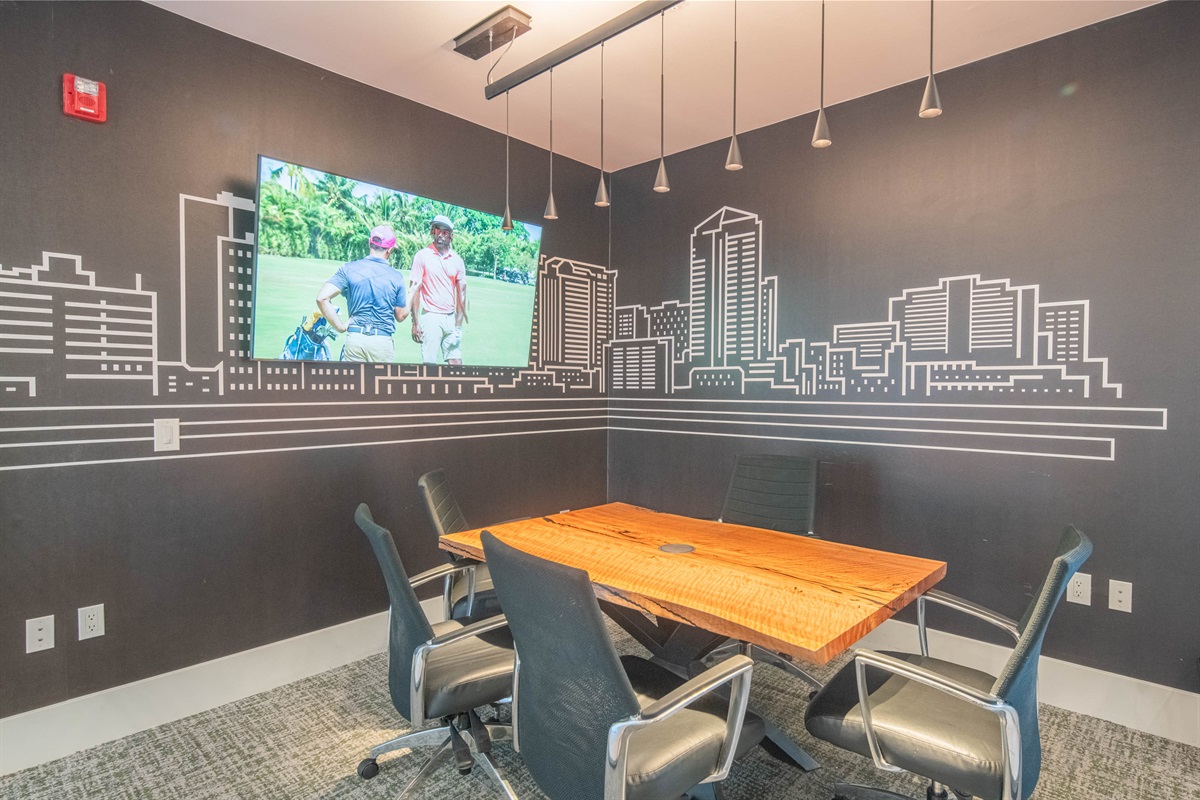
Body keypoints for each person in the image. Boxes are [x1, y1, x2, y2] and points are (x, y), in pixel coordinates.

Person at [315, 225, 408, 362]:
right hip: (381, 342)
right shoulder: (397, 277)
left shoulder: (348, 269)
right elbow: (400, 315)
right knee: (380, 377)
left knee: (354, 377)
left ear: (370, 243)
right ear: (389, 250)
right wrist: (413, 293)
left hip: (355, 339)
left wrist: (340, 327)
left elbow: (322, 298)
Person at [408, 214, 467, 365]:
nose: (440, 235)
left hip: (451, 318)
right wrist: (415, 322)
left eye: (445, 232)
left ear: (451, 236)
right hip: (431, 317)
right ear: (432, 232)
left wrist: (458, 327)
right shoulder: (422, 256)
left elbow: (461, 293)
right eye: (437, 230)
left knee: (456, 363)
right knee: (430, 366)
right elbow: (414, 290)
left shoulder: (457, 260)